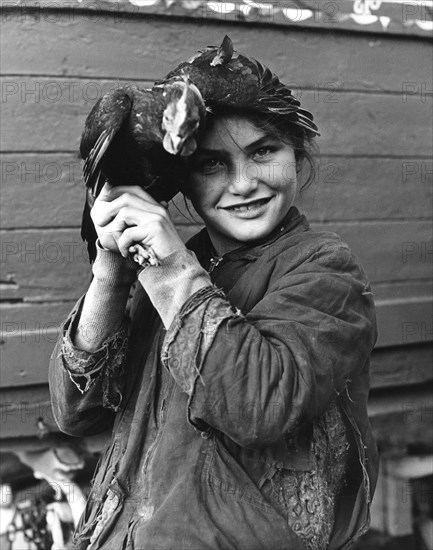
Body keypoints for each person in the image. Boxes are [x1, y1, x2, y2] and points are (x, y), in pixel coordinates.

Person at [49, 41, 378, 550]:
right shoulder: (164, 268)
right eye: (211, 165)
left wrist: (170, 267)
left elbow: (257, 406)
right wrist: (111, 275)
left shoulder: (325, 269)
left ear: (296, 155)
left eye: (263, 151)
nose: (243, 184)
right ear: (181, 176)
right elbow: (77, 411)